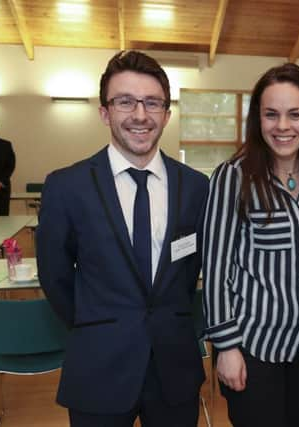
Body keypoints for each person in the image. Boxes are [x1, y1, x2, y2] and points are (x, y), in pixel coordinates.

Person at [36, 51, 209, 427]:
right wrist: (100, 326)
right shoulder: (67, 187)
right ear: (104, 112)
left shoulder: (197, 187)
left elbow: (192, 268)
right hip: (99, 367)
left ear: (167, 113)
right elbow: (56, 277)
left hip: (174, 370)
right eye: (125, 101)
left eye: (152, 102)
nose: (140, 115)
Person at [202, 63, 299, 427]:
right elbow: (215, 270)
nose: (283, 126)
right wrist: (226, 348)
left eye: (295, 114)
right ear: (257, 118)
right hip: (255, 349)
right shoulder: (233, 176)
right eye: (271, 114)